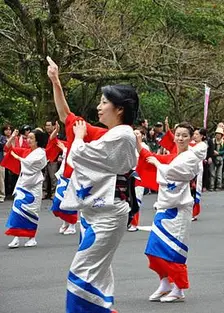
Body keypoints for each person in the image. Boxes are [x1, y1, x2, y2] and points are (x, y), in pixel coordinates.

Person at [47, 56, 138, 313]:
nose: (99, 107)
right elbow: (68, 117)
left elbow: (77, 154)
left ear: (119, 108)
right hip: (96, 208)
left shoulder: (122, 134)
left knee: (81, 272)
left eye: (104, 102)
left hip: (108, 213)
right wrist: (56, 82)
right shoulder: (109, 134)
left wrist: (77, 138)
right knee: (97, 272)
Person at [137, 122, 207, 303]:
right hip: (165, 206)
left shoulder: (191, 157)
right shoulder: (175, 156)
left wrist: (158, 164)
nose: (180, 138)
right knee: (153, 249)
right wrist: (139, 145)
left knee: (173, 250)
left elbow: (174, 173)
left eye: (185, 135)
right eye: (178, 135)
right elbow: (155, 159)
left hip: (180, 208)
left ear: (191, 138)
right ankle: (165, 282)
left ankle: (179, 288)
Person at [4, 128, 48, 248]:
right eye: (28, 138)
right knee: (17, 209)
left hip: (34, 185)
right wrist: (13, 137)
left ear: (37, 141)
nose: (28, 140)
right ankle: (16, 237)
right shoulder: (25, 151)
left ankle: (32, 237)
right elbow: (8, 149)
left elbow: (28, 163)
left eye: (31, 138)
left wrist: (18, 158)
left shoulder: (41, 152)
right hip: (23, 184)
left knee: (32, 210)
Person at [43, 120, 60, 200]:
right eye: (46, 125)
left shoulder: (59, 136)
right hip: (43, 159)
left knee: (53, 177)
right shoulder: (43, 136)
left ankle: (54, 193)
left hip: (54, 158)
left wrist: (60, 156)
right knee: (44, 177)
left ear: (53, 126)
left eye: (49, 125)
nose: (47, 127)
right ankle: (44, 192)